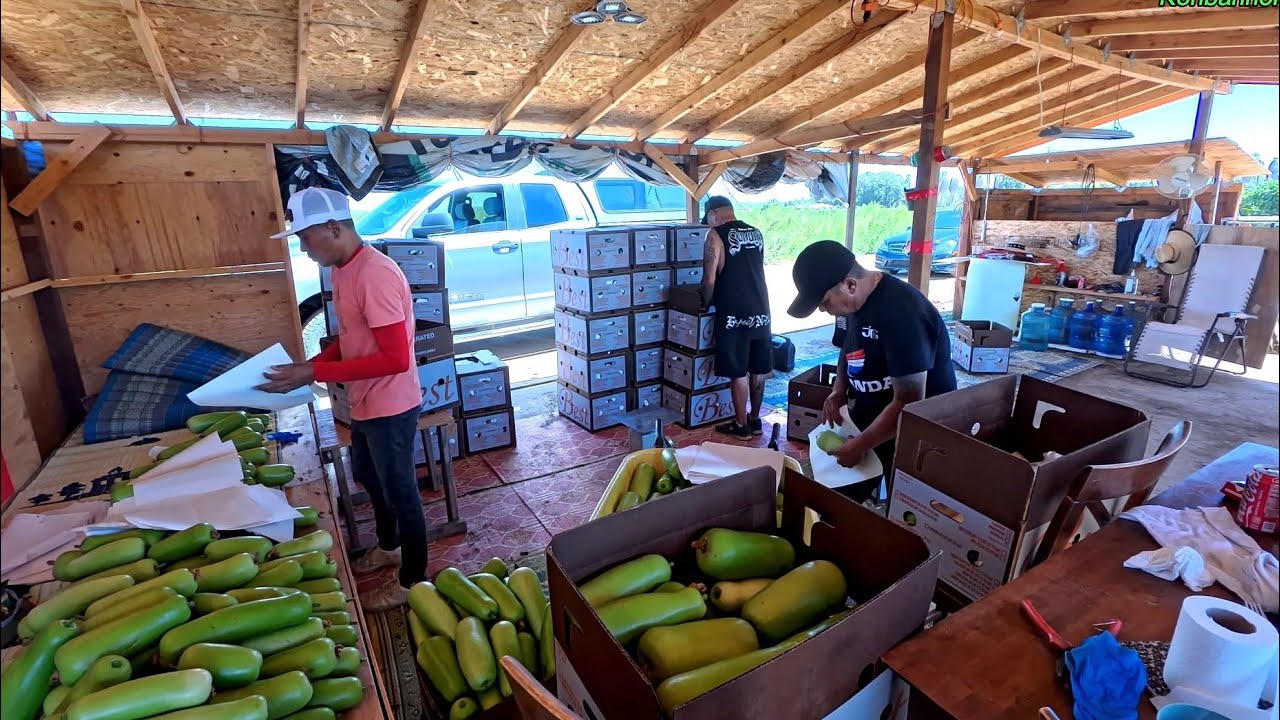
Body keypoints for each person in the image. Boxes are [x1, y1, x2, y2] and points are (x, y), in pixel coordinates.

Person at [257, 187, 426, 610]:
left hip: (392, 404)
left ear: (334, 228)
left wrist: (313, 371)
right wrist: (311, 364)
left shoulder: (376, 274)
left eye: (305, 237)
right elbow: (351, 338)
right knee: (369, 477)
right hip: (364, 401)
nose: (303, 247)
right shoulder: (342, 269)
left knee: (402, 491)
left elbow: (394, 358)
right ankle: (389, 546)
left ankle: (412, 581)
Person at [788, 240, 956, 500]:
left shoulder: (903, 313)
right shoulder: (850, 306)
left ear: (850, 284)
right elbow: (848, 347)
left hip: (916, 430)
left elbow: (908, 402)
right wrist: (838, 389)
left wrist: (860, 446)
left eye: (824, 302)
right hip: (872, 416)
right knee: (838, 497)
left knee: (907, 506)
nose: (824, 309)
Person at [699, 195, 772, 438]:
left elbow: (709, 279)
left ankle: (741, 426)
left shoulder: (715, 234)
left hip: (734, 311)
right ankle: (755, 419)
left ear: (712, 215)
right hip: (761, 308)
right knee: (758, 369)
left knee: (738, 371)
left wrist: (702, 303)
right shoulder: (756, 232)